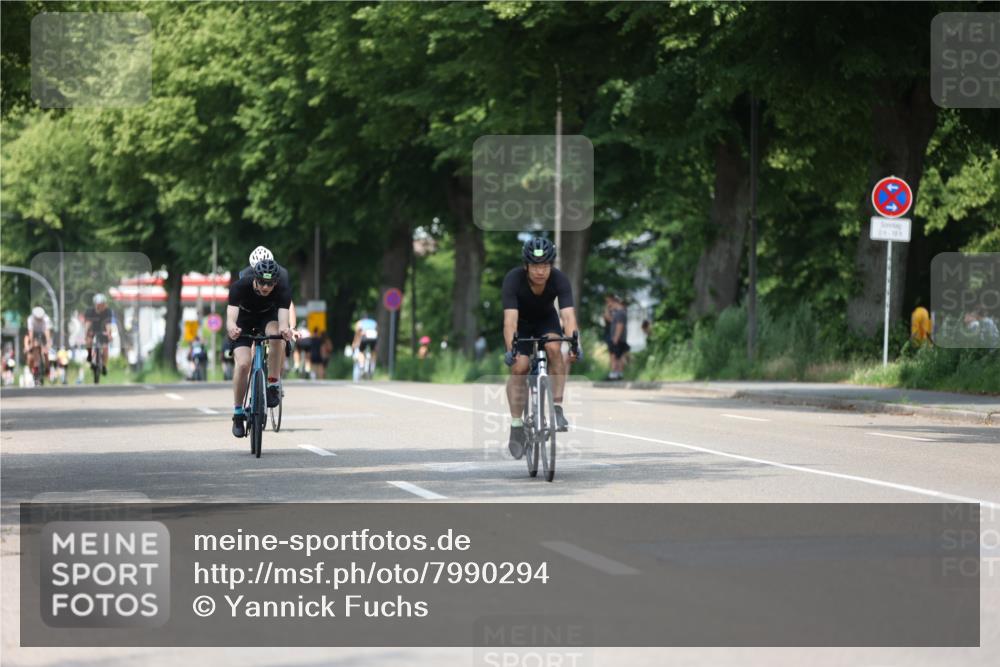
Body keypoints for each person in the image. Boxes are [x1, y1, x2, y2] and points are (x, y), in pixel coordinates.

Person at [502, 237, 581, 459]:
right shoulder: (513, 280)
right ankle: (516, 425)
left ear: (551, 266)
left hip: (547, 320)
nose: (540, 271)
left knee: (555, 348)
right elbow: (510, 321)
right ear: (526, 266)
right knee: (520, 367)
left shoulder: (559, 279)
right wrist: (511, 350)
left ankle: (557, 408)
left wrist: (574, 344)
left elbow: (568, 316)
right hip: (521, 324)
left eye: (545, 266)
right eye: (535, 266)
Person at [227, 256, 295, 437]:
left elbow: (283, 322)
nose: (266, 287)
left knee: (276, 335)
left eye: (270, 284)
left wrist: (286, 331)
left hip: (267, 318)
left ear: (276, 282)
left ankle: (272, 384)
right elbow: (231, 318)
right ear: (255, 278)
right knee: (243, 364)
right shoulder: (239, 287)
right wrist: (232, 328)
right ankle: (238, 413)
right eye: (262, 282)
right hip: (244, 320)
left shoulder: (283, 289)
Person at [84, 294, 113, 377]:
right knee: (89, 340)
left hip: (103, 331)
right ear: (95, 304)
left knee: (105, 348)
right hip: (93, 330)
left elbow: (108, 324)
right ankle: (89, 354)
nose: (101, 306)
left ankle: (104, 365)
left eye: (103, 304)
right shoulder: (90, 311)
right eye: (99, 305)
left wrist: (109, 334)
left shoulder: (108, 311)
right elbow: (88, 324)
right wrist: (86, 334)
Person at [604, 294, 629, 380]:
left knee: (614, 356)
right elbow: (608, 318)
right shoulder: (618, 313)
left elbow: (620, 326)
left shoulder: (620, 313)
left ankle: (614, 373)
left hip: (617, 338)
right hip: (619, 338)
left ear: (614, 302)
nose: (608, 305)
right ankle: (618, 373)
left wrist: (615, 338)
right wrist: (607, 309)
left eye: (609, 303)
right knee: (618, 356)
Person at [24, 306, 53, 382]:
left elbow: (47, 332)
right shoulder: (30, 319)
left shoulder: (46, 319)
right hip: (34, 335)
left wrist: (48, 344)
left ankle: (47, 368)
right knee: (33, 350)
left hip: (42, 335)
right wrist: (30, 345)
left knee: (46, 352)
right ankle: (33, 369)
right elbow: (30, 333)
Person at [352, 313, 378, 381]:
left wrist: (355, 342)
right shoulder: (374, 322)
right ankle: (372, 366)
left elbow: (357, 333)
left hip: (365, 337)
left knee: (361, 351)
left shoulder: (360, 322)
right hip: (374, 337)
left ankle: (362, 365)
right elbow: (377, 331)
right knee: (373, 351)